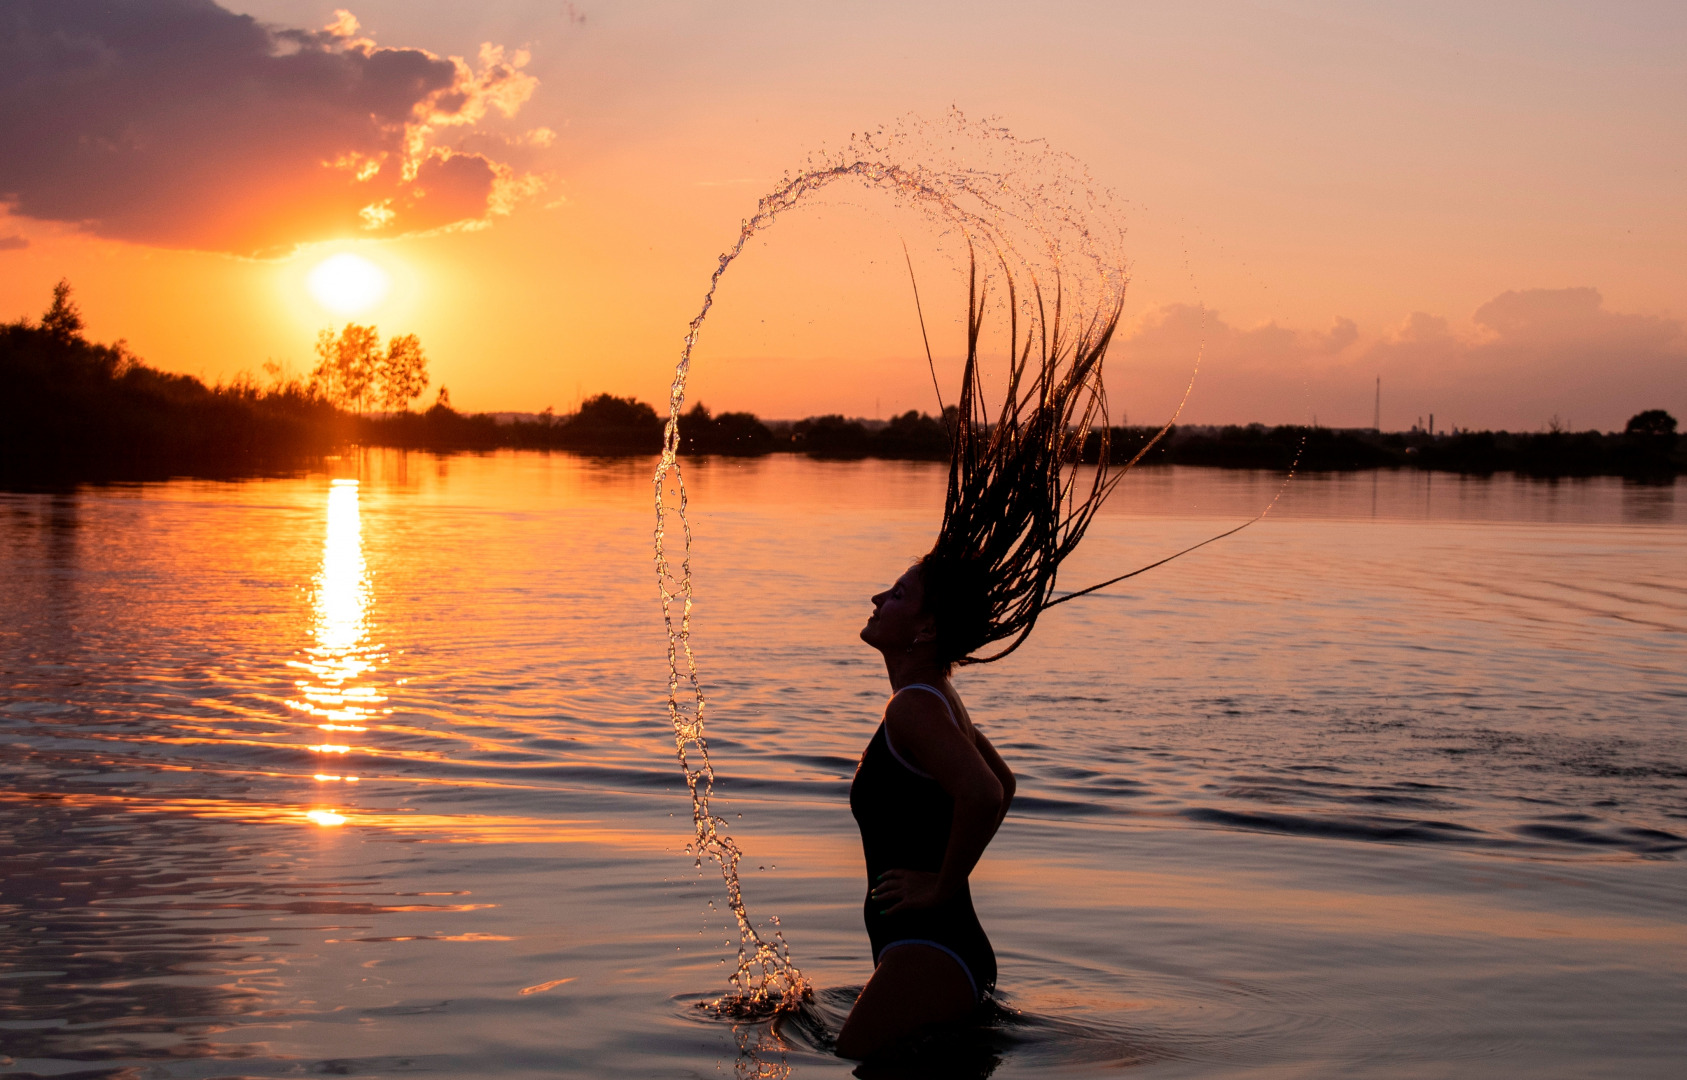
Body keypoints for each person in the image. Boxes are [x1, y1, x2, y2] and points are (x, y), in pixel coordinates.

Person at [833, 256, 1126, 1060]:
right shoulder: (936, 700)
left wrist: (940, 884)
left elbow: (983, 798)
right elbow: (1002, 783)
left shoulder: (914, 708)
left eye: (894, 595)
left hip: (928, 953)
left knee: (849, 1064)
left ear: (923, 628)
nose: (875, 601)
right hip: (939, 954)